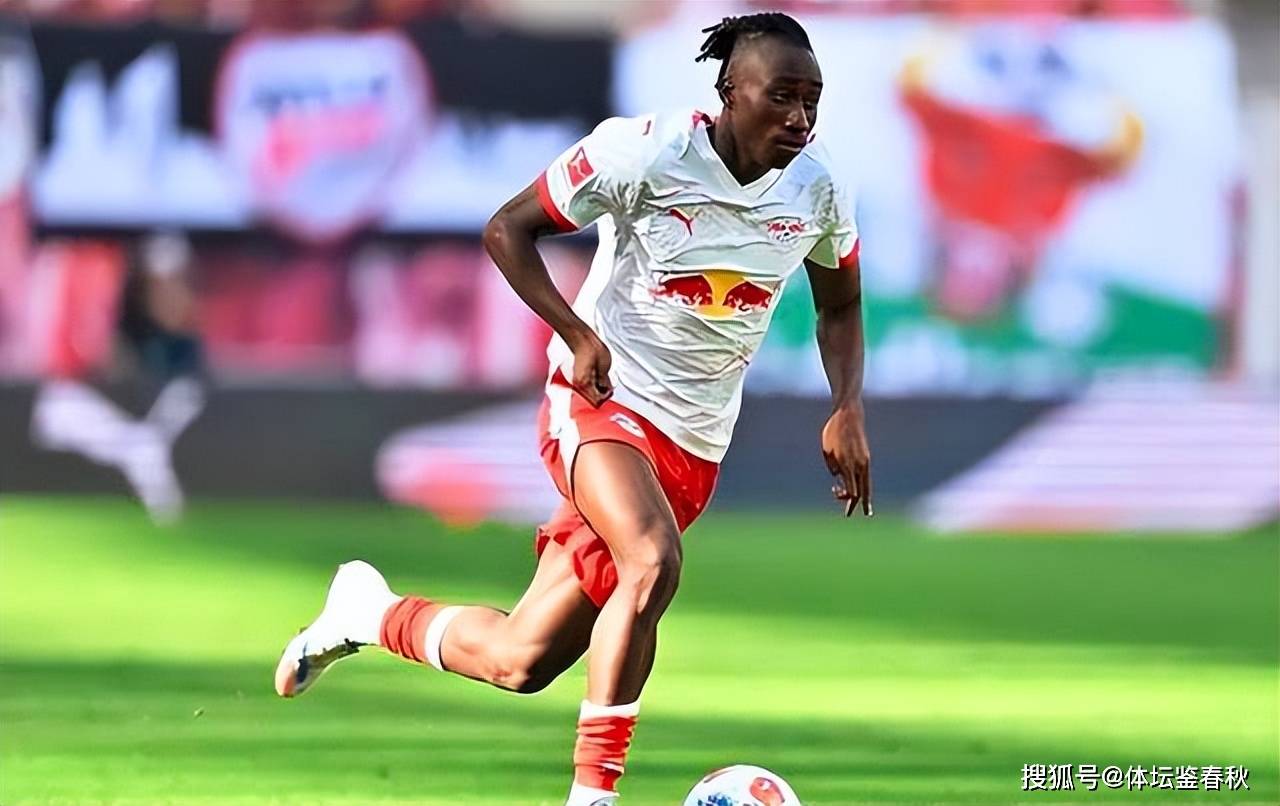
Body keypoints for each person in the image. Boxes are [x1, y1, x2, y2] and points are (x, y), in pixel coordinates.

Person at [273, 13, 872, 805]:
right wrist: (577, 334)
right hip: (600, 403)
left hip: (694, 446)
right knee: (652, 560)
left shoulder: (817, 185)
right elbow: (508, 229)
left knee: (522, 660)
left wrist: (846, 406)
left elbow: (840, 304)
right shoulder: (646, 152)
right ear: (730, 92)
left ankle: (366, 613)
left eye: (812, 101)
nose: (799, 118)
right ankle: (594, 795)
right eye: (782, 96)